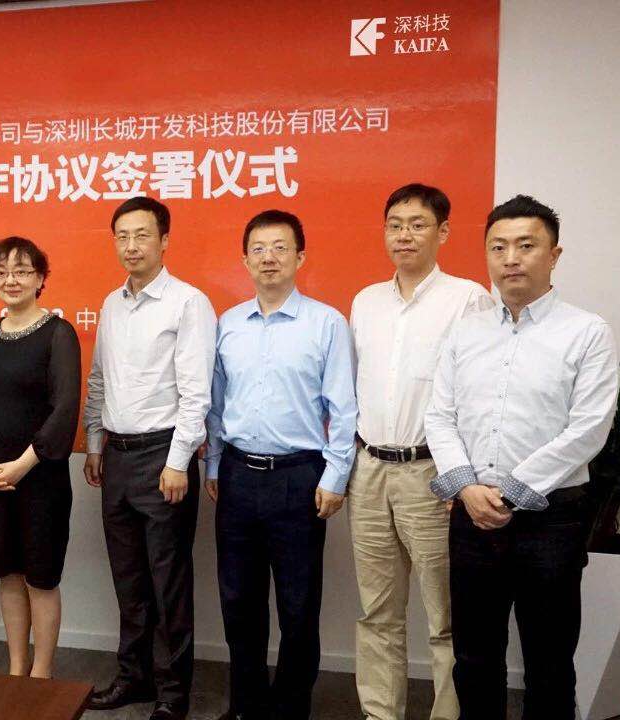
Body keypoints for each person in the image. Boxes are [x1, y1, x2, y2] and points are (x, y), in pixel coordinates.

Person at [425, 195, 619, 720]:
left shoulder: (587, 332)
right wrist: (467, 488)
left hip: (550, 520)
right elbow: (438, 416)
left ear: (554, 255)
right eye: (498, 247)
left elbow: (588, 428)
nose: (511, 258)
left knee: (549, 659)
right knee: (473, 657)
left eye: (526, 245)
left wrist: (507, 492)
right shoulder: (464, 331)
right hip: (471, 516)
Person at [348, 184, 494, 720]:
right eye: (395, 225)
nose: (404, 235)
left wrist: (464, 477)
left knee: (444, 616)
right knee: (377, 612)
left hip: (432, 473)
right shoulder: (365, 301)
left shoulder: (468, 300)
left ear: (443, 232)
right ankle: (379, 713)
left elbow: (481, 398)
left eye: (417, 224)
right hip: (368, 469)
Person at [205, 210, 357, 720]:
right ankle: (246, 704)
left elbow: (344, 408)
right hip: (237, 476)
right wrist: (213, 467)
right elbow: (217, 405)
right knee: (238, 602)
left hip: (300, 478)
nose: (268, 257)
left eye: (280, 248)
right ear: (245, 259)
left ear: (300, 257)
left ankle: (291, 708)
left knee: (298, 605)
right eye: (258, 248)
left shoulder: (326, 323)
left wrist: (335, 477)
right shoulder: (228, 324)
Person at [83, 197, 216, 720]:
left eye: (142, 235)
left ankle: (173, 691)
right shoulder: (112, 303)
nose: (131, 246)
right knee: (129, 579)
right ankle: (133, 677)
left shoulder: (188, 303)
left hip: (164, 456)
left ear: (164, 241)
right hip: (117, 456)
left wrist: (179, 461)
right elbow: (99, 379)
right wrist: (95, 444)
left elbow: (196, 392)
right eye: (122, 236)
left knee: (168, 583)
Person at [0, 236, 81, 678]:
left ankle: (42, 675)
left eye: (21, 271)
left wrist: (23, 464)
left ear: (40, 278)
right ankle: (16, 670)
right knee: (8, 573)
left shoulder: (58, 333)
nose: (11, 280)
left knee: (41, 577)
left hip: (40, 478)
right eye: (1, 272)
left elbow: (64, 408)